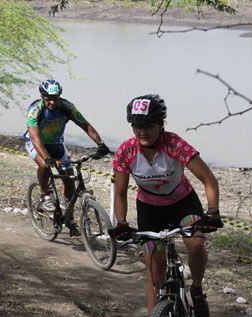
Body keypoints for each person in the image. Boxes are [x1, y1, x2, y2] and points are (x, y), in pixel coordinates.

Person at [109, 94, 223, 316]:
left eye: (149, 125)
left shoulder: (174, 144)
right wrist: (122, 222)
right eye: (137, 126)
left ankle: (197, 291)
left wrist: (213, 212)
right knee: (155, 272)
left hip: (182, 203)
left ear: (161, 125)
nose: (142, 132)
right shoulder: (126, 151)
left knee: (196, 244)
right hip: (149, 209)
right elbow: (121, 193)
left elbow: (209, 180)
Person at [24, 79, 110, 236]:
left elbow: (86, 125)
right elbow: (35, 137)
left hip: (57, 144)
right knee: (44, 165)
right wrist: (47, 157)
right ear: (42, 96)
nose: (52, 102)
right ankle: (44, 194)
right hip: (37, 144)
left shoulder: (67, 107)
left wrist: (101, 144)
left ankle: (69, 218)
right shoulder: (35, 110)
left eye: (55, 98)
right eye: (48, 98)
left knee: (70, 180)